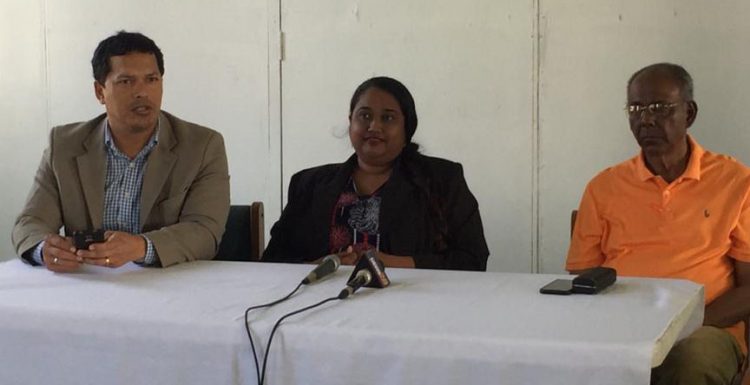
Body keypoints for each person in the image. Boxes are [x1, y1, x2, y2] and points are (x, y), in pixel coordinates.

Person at [566, 63, 750, 385]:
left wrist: (681, 325)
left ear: (689, 113)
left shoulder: (735, 182)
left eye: (659, 108)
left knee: (689, 362)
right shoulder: (604, 187)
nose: (646, 119)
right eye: (636, 108)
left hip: (707, 329)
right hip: (621, 328)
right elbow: (584, 279)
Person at [12, 31, 230, 271]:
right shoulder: (64, 145)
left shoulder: (202, 146)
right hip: (88, 283)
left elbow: (204, 231)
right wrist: (46, 249)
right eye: (126, 81)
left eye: (151, 79)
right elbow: (30, 222)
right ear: (99, 92)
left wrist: (141, 246)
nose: (142, 92)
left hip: (169, 286)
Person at [263, 76, 488, 271]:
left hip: (414, 304)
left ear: (406, 128)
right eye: (364, 116)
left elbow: (472, 260)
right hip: (324, 303)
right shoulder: (308, 184)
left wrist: (391, 263)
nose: (374, 126)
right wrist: (322, 266)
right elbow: (272, 261)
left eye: (388, 118)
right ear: (351, 121)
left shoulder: (443, 179)